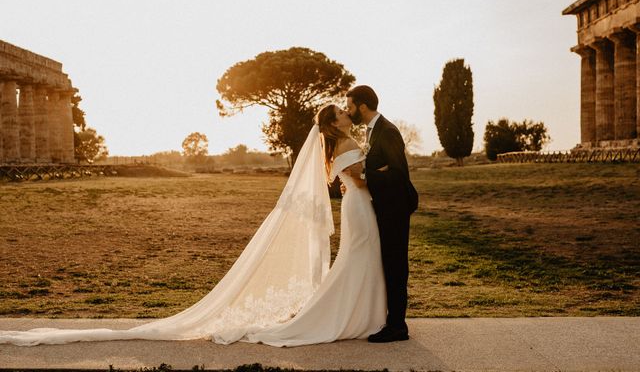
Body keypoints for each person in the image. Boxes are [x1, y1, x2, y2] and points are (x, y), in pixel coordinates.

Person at [0, 104, 386, 347]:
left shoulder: (339, 145)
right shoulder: (346, 146)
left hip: (356, 206)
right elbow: (360, 178)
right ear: (334, 124)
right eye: (342, 113)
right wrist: (387, 176)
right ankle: (340, 314)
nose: (347, 114)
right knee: (355, 260)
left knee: (356, 260)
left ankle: (357, 313)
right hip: (360, 204)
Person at [345, 85, 418, 343]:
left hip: (395, 208)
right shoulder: (372, 130)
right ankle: (391, 320)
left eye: (350, 106)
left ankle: (398, 326)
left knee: (396, 265)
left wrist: (365, 176)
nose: (348, 110)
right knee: (388, 263)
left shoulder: (387, 131)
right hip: (384, 206)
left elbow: (398, 173)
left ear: (362, 106)